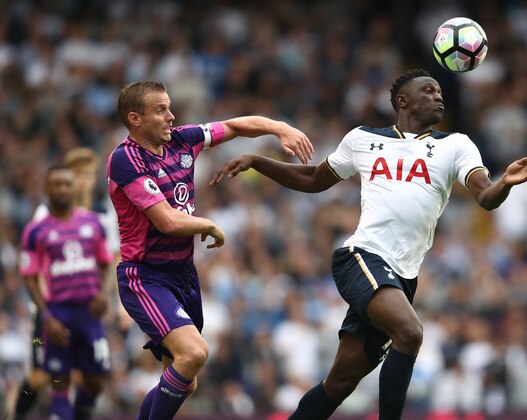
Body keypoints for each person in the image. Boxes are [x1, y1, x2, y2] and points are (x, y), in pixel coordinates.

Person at [209, 68, 527, 419]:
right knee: (411, 332)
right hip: (361, 257)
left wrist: (506, 182)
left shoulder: (456, 145)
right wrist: (258, 161)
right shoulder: (362, 139)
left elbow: (486, 197)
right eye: (428, 90)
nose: (438, 96)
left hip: (401, 277)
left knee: (339, 383)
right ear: (403, 100)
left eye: (440, 92)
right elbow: (314, 178)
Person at [107, 80, 313, 420]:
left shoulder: (183, 140)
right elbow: (167, 222)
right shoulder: (125, 160)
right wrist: (209, 225)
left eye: (170, 107)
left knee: (185, 381)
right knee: (194, 353)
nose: (171, 116)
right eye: (161, 110)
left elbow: (232, 126)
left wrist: (279, 127)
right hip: (145, 277)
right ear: (135, 119)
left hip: (184, 274)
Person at [12, 147, 121, 420]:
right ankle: (15, 414)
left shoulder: (100, 216)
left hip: (88, 309)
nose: (84, 181)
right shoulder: (42, 217)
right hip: (48, 313)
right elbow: (33, 265)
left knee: (92, 377)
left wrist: (116, 302)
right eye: (78, 175)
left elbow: (111, 258)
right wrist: (46, 307)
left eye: (88, 175)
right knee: (40, 377)